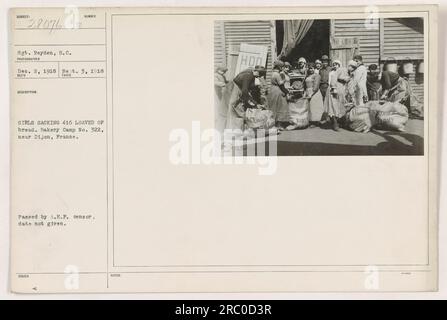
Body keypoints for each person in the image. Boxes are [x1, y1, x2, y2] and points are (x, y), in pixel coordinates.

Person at [226, 65, 265, 132]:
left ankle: (236, 130)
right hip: (236, 90)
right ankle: (236, 131)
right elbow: (244, 90)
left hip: (238, 90)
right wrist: (252, 102)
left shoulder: (251, 75)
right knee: (238, 110)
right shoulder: (248, 75)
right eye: (260, 74)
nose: (259, 76)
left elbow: (247, 89)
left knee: (237, 110)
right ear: (256, 71)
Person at [323, 60, 350, 131]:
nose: (335, 66)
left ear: (339, 65)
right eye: (334, 64)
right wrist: (333, 88)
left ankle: (340, 122)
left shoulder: (343, 71)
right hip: (333, 90)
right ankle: (335, 123)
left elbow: (346, 81)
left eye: (337, 64)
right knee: (333, 106)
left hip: (340, 90)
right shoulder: (332, 73)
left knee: (339, 106)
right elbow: (330, 81)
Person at [268, 61, 289, 128]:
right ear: (279, 67)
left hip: (272, 90)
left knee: (273, 106)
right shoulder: (277, 74)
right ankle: (278, 124)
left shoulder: (272, 73)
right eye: (282, 67)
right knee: (280, 107)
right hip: (277, 90)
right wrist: (286, 92)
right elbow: (281, 85)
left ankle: (271, 123)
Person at [214, 65, 229, 135]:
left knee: (221, 104)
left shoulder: (222, 76)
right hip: (216, 92)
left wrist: (228, 82)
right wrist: (223, 84)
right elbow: (215, 82)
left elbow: (225, 81)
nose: (223, 73)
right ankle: (216, 119)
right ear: (218, 70)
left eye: (224, 72)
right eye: (222, 71)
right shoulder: (215, 75)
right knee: (217, 104)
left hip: (221, 92)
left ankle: (220, 118)